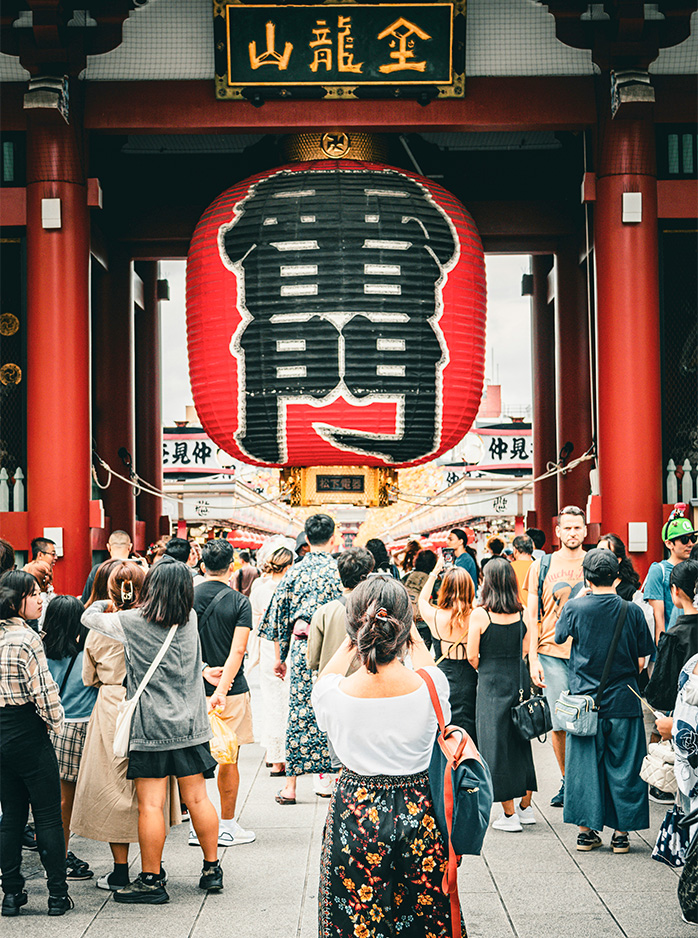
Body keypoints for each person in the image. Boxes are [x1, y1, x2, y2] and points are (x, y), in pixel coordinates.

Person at [311, 574, 459, 937]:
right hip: (418, 809)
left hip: (355, 810)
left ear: (354, 630)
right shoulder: (432, 686)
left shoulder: (334, 693)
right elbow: (428, 667)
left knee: (355, 913)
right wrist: (414, 635)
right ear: (405, 630)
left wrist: (350, 644)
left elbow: (324, 677)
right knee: (423, 913)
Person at [81, 557, 223, 904]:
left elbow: (88, 618)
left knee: (151, 805)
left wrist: (106, 596)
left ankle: (151, 879)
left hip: (152, 728)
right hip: (190, 725)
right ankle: (211, 869)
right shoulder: (188, 618)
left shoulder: (130, 621)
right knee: (198, 798)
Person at [71, 560, 180, 892]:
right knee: (149, 793)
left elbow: (88, 677)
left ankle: (120, 869)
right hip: (147, 705)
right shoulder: (155, 624)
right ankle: (153, 866)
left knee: (112, 789)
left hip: (110, 707)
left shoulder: (100, 629)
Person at [555, 548, 654, 853]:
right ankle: (622, 834)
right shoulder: (632, 610)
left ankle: (586, 833)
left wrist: (578, 597)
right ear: (618, 575)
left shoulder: (575, 608)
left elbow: (558, 638)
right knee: (625, 766)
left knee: (584, 768)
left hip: (585, 704)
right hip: (624, 701)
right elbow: (641, 661)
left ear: (586, 576)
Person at [0, 570, 72, 917]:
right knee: (46, 816)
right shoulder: (26, 639)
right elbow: (44, 693)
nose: (41, 597)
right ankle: (57, 895)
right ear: (16, 602)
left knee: (11, 815)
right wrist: (56, 725)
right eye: (34, 593)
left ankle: (11, 894)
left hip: (0, 733)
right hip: (28, 730)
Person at [261, 513, 342, 805]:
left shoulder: (294, 572)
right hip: (336, 648)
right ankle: (337, 782)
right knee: (337, 709)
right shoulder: (338, 570)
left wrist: (279, 657)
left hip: (302, 648)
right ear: (333, 539)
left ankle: (291, 788)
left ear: (306, 539)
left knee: (299, 711)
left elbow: (278, 616)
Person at [192, 538, 255, 848]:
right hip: (230, 692)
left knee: (193, 759)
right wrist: (222, 687)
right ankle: (227, 825)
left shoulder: (185, 598)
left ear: (203, 566)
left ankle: (197, 826)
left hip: (191, 690)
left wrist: (202, 672)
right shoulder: (240, 602)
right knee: (229, 758)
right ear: (232, 567)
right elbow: (239, 650)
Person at [467, 558, 539, 831]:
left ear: (488, 582)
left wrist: (485, 668)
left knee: (494, 745)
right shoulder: (522, 612)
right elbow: (524, 649)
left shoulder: (480, 614)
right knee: (520, 742)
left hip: (490, 684)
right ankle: (525, 807)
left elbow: (473, 655)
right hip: (517, 680)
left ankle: (508, 815)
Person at [525, 504, 587, 808]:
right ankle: (567, 781)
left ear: (585, 530)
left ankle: (585, 779)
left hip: (589, 653)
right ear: (558, 531)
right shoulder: (543, 565)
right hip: (551, 652)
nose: (573, 533)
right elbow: (531, 613)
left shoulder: (594, 562)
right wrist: (533, 657)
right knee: (561, 723)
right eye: (568, 528)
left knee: (589, 720)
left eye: (578, 527)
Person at [43, 595, 98, 881]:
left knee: (54, 798)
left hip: (50, 729)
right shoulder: (84, 654)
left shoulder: (41, 651)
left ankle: (57, 853)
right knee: (65, 802)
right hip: (79, 729)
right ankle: (60, 857)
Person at [418, 553, 477, 741]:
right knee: (470, 728)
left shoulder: (435, 616)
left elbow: (421, 601)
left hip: (442, 678)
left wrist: (435, 572)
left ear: (444, 589)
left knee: (444, 727)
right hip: (470, 678)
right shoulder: (478, 616)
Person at [251, 542, 295, 775]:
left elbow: (254, 622)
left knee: (271, 703)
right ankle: (285, 755)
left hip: (268, 648)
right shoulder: (292, 589)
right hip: (288, 649)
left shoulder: (259, 588)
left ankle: (273, 755)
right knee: (288, 702)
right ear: (288, 566)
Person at [308, 547, 374, 675]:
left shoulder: (323, 612)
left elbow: (313, 661)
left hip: (331, 685)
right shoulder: (378, 611)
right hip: (367, 686)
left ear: (339, 574)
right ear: (368, 575)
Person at [644, 504, 698, 643]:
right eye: (684, 540)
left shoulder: (694, 567)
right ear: (669, 544)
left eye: (693, 538)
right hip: (672, 641)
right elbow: (658, 617)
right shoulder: (658, 571)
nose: (690, 543)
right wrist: (662, 647)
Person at [81, 530, 134, 604]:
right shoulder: (137, 569)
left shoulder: (98, 569)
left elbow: (86, 599)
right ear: (130, 547)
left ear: (108, 547)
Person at [402, 548, 438, 650]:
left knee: (411, 651)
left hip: (409, 621)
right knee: (424, 651)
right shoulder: (432, 580)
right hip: (425, 622)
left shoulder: (407, 577)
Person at [511, 535, 534, 605]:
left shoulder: (510, 567)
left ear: (515, 551)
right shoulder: (539, 566)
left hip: (517, 612)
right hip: (537, 612)